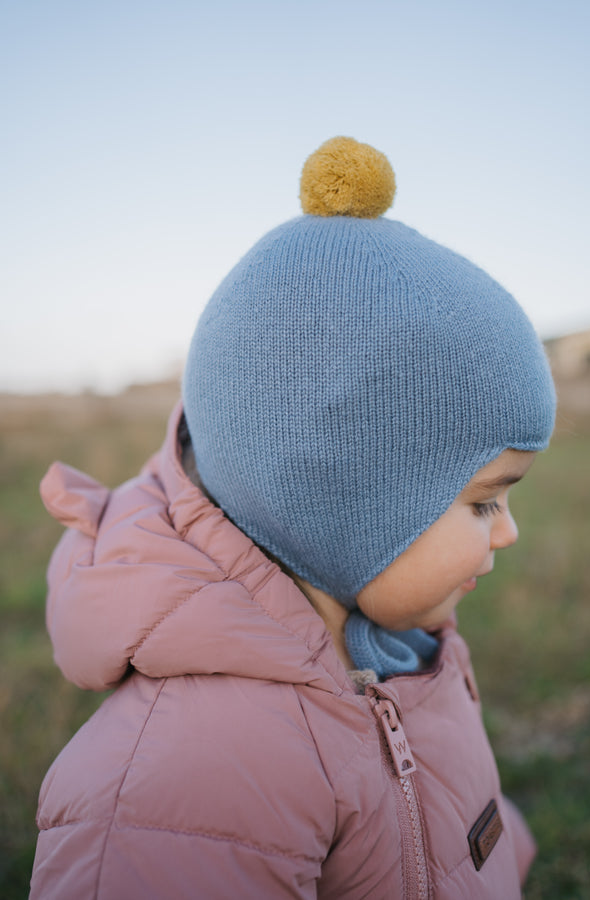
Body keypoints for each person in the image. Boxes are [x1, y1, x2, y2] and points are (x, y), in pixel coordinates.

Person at [30, 137, 555, 899]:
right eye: (483, 500)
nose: (508, 531)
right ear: (337, 501)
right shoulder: (191, 780)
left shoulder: (396, 646)